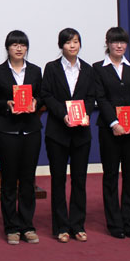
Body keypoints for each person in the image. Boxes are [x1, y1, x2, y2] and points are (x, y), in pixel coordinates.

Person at [0, 30, 43, 245]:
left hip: (31, 131)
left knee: (28, 181)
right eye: (14, 45)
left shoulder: (36, 71)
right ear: (7, 48)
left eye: (23, 44)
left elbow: (42, 95)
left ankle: (27, 226)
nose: (19, 48)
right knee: (9, 181)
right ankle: (11, 227)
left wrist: (36, 102)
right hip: (8, 131)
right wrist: (6, 104)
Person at [41, 27, 97, 243]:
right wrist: (64, 114)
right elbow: (46, 95)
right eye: (68, 42)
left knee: (79, 180)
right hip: (58, 132)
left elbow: (91, 97)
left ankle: (78, 225)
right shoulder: (52, 68)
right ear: (61, 45)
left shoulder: (88, 69)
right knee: (58, 180)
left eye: (75, 41)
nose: (72, 46)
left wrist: (85, 114)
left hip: (81, 133)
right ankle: (61, 227)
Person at [94, 26, 130, 240]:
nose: (119, 45)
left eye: (123, 42)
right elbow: (101, 98)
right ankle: (114, 223)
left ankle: (129, 221)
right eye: (115, 42)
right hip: (109, 130)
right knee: (111, 176)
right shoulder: (98, 68)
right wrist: (114, 123)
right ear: (107, 44)